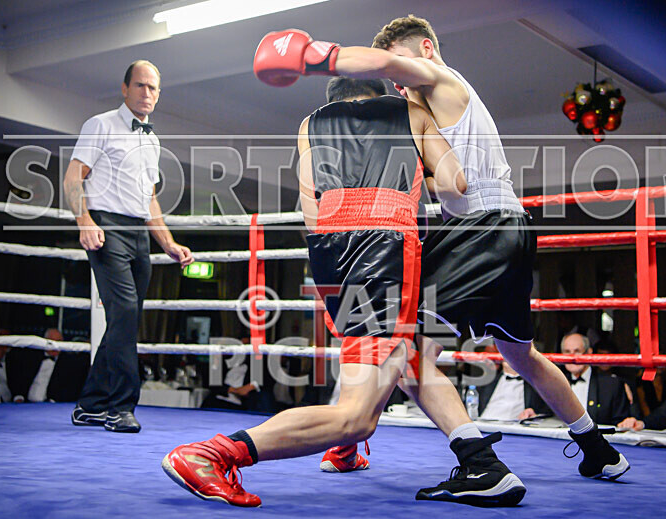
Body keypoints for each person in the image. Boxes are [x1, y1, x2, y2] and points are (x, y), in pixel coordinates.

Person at [252, 16, 629, 487]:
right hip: (507, 226)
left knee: (400, 342)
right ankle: (598, 449)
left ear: (426, 49)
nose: (396, 81)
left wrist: (313, 58)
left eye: (401, 68)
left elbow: (394, 74)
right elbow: (447, 177)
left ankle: (473, 463)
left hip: (479, 228)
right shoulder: (431, 106)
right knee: (522, 356)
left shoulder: (441, 78)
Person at [161, 76, 531, 508]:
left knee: (397, 356)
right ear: (381, 94)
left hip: (331, 251)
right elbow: (456, 184)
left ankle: (358, 453)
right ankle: (212, 454)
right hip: (386, 246)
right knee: (356, 416)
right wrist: (415, 172)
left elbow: (310, 208)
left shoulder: (309, 125)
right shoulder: (410, 112)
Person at [63, 60, 194, 433]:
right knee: (123, 313)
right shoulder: (100, 124)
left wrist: (168, 243)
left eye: (153, 88)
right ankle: (120, 407)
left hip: (138, 235)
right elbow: (74, 176)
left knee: (125, 319)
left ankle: (90, 404)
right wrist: (83, 221)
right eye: (140, 86)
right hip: (105, 228)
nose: (147, 94)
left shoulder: (151, 140)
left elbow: (148, 198)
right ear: (125, 88)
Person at [561, 333, 630, 426]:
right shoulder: (554, 383)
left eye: (577, 351)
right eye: (567, 351)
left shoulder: (612, 385)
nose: (572, 356)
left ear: (589, 353)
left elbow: (622, 424)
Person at [478, 360, 551, 420]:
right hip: (483, 427)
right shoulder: (485, 382)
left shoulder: (537, 385)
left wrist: (534, 416)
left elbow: (548, 412)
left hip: (515, 431)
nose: (508, 353)